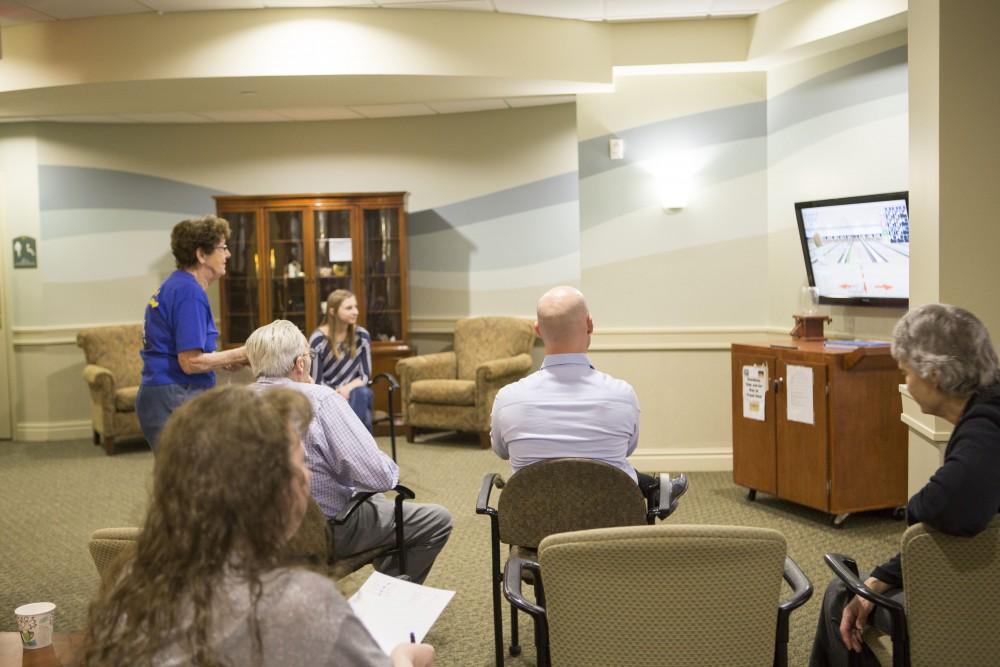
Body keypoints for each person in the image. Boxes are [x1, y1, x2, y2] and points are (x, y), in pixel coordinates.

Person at [80, 385, 435, 667]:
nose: (308, 477)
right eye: (300, 463)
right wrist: (404, 657)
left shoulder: (129, 580)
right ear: (273, 491)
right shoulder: (300, 601)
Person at [809, 303, 1000, 667]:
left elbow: (950, 507)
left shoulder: (986, 429)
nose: (907, 383)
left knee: (839, 594)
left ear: (934, 375)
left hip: (982, 603)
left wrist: (914, 507)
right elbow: (941, 530)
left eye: (907, 372)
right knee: (863, 587)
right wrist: (880, 578)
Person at [247, 319, 452, 585]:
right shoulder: (320, 401)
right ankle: (382, 608)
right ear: (300, 363)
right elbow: (379, 478)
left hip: (255, 534)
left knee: (377, 506)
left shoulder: (231, 404)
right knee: (436, 520)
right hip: (322, 530)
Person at [490, 285, 687, 503]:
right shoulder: (622, 394)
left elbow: (501, 451)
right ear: (590, 324)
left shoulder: (507, 399)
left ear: (538, 330)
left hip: (533, 523)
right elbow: (628, 449)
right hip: (609, 522)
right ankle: (655, 490)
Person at [135, 215, 247, 449]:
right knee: (195, 478)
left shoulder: (176, 285)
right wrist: (242, 354)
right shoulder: (189, 292)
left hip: (163, 393)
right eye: (222, 247)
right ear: (201, 254)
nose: (228, 254)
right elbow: (190, 362)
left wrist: (220, 360)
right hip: (176, 395)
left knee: (184, 478)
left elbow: (188, 351)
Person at [310, 289, 375, 431]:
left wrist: (346, 389)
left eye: (356, 306)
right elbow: (316, 380)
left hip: (356, 391)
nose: (356, 312)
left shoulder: (362, 336)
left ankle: (348, 441)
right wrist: (337, 394)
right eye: (349, 308)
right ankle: (360, 448)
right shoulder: (318, 340)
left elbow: (365, 375)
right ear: (332, 312)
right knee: (365, 417)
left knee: (362, 393)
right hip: (328, 395)